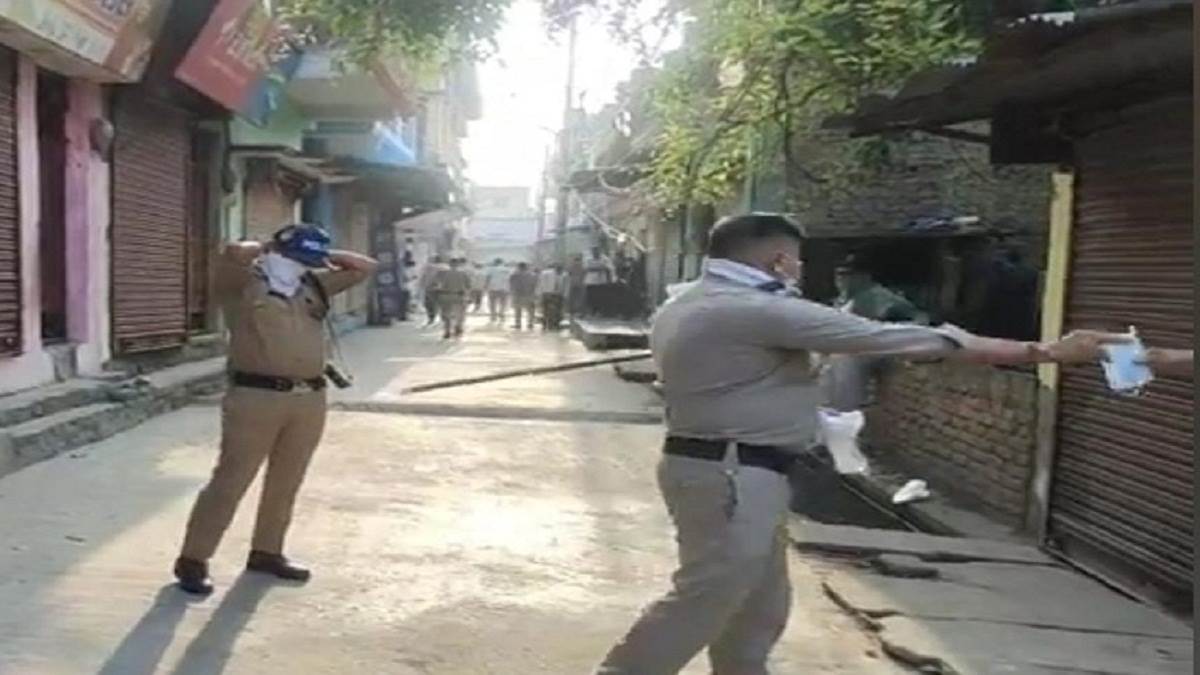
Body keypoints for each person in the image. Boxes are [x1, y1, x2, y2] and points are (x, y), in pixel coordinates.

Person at [595, 213, 1130, 674]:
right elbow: (894, 338)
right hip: (732, 473)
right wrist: (1047, 351)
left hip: (737, 469)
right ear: (779, 260)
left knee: (759, 605)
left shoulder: (688, 301)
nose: (801, 270)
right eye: (797, 260)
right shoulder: (754, 309)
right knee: (709, 594)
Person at [173, 224, 376, 596]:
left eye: (307, 262)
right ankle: (193, 560)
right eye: (297, 259)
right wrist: (269, 246)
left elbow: (364, 267)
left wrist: (322, 257)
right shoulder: (243, 285)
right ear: (278, 254)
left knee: (286, 482)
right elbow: (234, 251)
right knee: (231, 479)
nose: (302, 267)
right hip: (256, 396)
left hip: (309, 398)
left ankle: (267, 552)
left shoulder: (312, 286)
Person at [435, 257, 473, 339]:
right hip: (459, 295)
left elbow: (437, 284)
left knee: (446, 315)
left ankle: (447, 330)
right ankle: (458, 326)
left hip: (445, 295)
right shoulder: (464, 273)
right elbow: (469, 286)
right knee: (460, 313)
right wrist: (469, 296)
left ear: (449, 264)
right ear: (458, 264)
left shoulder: (442, 273)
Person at [583, 246, 616, 316]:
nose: (596, 253)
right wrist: (599, 268)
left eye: (597, 251)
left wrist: (609, 278)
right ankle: (592, 311)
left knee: (601, 297)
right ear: (592, 252)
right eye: (594, 251)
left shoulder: (605, 259)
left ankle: (600, 311)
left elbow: (609, 268)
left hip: (601, 281)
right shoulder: (588, 259)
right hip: (591, 281)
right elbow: (586, 268)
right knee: (591, 297)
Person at [509, 262, 539, 330]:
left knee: (518, 310)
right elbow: (536, 285)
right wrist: (535, 295)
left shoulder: (514, 274)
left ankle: (518, 324)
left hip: (518, 294)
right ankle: (530, 323)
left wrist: (512, 292)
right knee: (530, 311)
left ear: (519, 267)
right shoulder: (532, 275)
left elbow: (511, 284)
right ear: (526, 267)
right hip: (529, 294)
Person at [419, 255, 447, 326]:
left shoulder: (427, 267)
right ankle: (443, 318)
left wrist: (421, 285)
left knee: (429, 304)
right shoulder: (445, 267)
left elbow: (423, 277)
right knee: (442, 304)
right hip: (442, 289)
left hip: (429, 288)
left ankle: (431, 318)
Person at [538, 264, 567, 330]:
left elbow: (565, 286)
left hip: (558, 295)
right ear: (555, 268)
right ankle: (545, 324)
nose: (559, 272)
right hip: (547, 293)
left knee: (556, 311)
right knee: (546, 310)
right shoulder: (546, 273)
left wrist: (564, 295)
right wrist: (542, 293)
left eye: (560, 270)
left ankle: (554, 325)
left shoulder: (564, 275)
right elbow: (541, 283)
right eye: (558, 270)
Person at [485, 258, 510, 323]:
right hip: (504, 288)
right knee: (503, 303)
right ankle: (501, 313)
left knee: (492, 303)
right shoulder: (506, 269)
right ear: (502, 262)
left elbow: (488, 278)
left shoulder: (491, 269)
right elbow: (508, 279)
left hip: (493, 288)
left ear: (495, 262)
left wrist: (486, 286)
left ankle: (493, 316)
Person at [566, 254, 586, 318]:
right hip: (580, 283)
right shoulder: (582, 266)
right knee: (580, 298)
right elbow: (584, 274)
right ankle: (581, 312)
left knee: (572, 298)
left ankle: (572, 312)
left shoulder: (571, 266)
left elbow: (569, 274)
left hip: (573, 283)